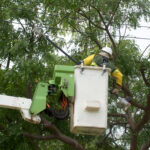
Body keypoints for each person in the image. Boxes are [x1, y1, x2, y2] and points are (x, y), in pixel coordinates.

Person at [82, 46, 131, 111]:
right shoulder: (110, 65)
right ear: (109, 56)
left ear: (101, 52)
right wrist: (117, 88)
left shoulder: (94, 56)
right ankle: (124, 103)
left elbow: (83, 63)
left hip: (89, 83)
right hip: (101, 88)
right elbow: (119, 75)